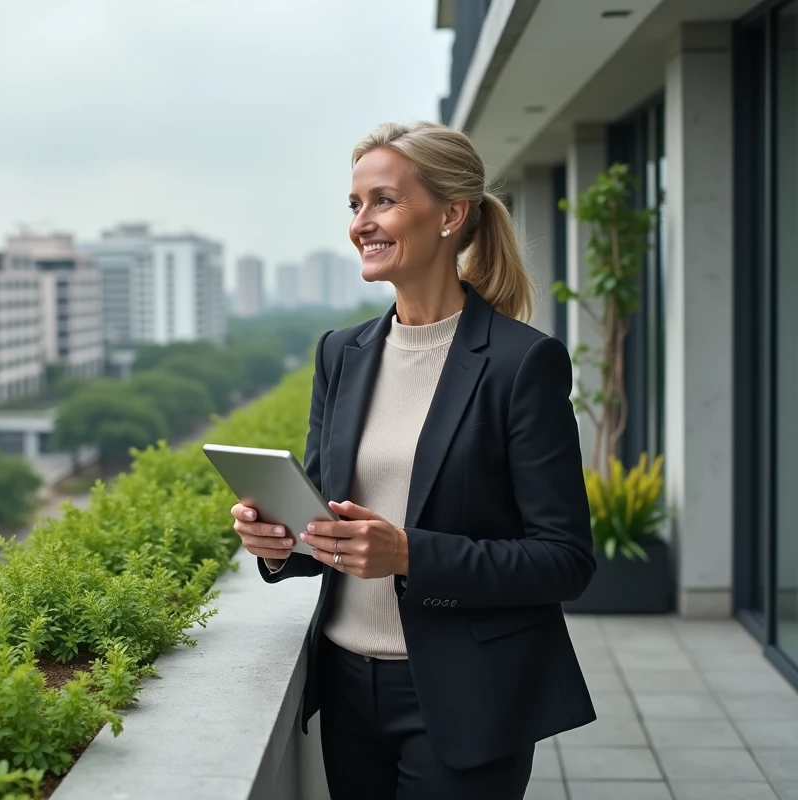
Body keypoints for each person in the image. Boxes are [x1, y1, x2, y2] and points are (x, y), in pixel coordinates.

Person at [230, 121, 597, 799]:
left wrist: (409, 555)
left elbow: (565, 560)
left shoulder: (521, 363)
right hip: (344, 686)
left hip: (467, 698)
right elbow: (334, 529)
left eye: (383, 201)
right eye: (354, 205)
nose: (361, 223)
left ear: (453, 215)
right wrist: (282, 543)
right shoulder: (341, 353)